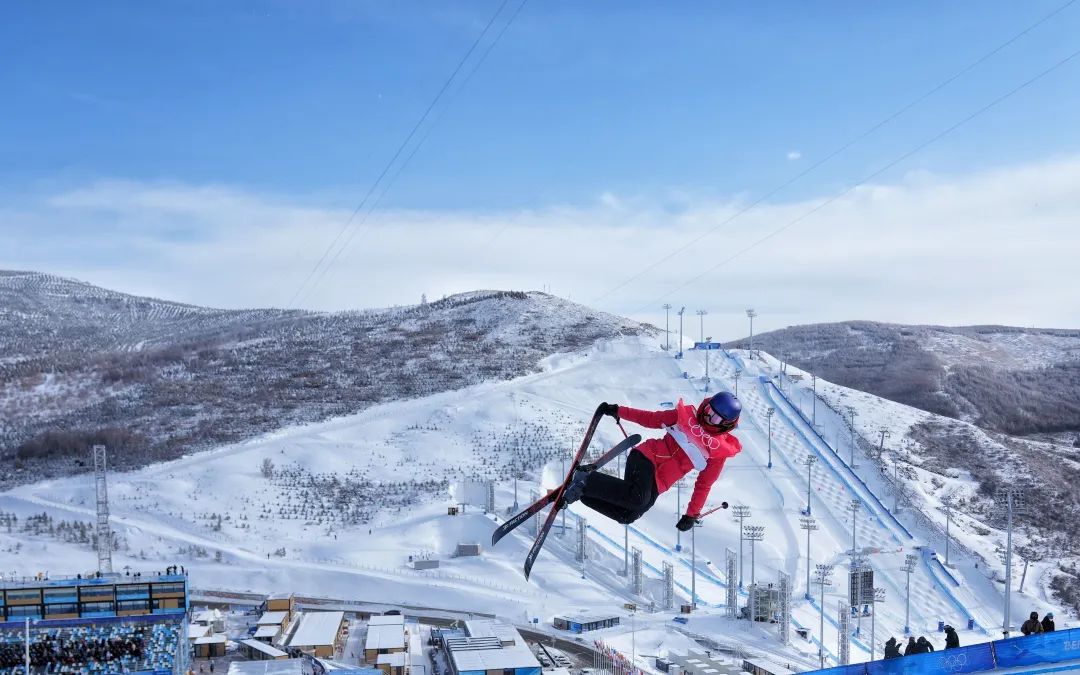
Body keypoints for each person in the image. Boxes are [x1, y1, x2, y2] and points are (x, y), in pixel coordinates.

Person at [561, 393, 742, 526]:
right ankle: (587, 481)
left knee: (628, 515)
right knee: (638, 498)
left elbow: (704, 484)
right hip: (647, 457)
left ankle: (584, 492)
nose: (708, 417)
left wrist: (691, 514)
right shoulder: (686, 416)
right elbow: (651, 418)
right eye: (709, 410)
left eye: (716, 417)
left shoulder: (719, 451)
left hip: (660, 482)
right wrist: (619, 411)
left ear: (726, 424)